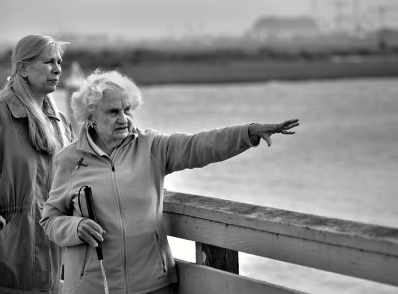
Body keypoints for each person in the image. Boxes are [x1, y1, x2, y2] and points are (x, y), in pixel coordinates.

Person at [40, 69, 299, 294]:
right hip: (93, 287)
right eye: (113, 111)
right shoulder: (69, 160)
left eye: (127, 109)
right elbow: (50, 220)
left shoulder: (150, 146)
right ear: (91, 117)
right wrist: (75, 227)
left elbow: (200, 145)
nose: (124, 119)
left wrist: (248, 132)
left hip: (153, 284)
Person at [0, 34, 76, 294]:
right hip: (1, 273)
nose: (57, 69)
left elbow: (76, 181)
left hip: (48, 273)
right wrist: (2, 237)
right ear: (22, 68)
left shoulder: (60, 123)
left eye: (59, 62)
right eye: (48, 62)